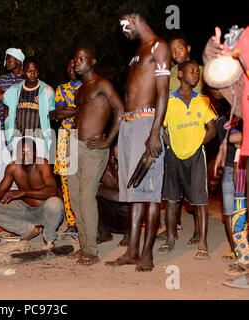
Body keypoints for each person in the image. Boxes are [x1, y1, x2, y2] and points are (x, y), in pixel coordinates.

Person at [106, 2, 171, 272]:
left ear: (134, 18)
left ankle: (147, 252)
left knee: (150, 193)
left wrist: (155, 132)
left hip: (147, 123)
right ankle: (131, 250)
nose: (123, 29)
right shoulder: (137, 53)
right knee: (134, 191)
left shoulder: (159, 46)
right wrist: (121, 135)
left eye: (124, 23)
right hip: (131, 125)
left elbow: (163, 92)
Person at [66, 45, 125, 266]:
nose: (76, 62)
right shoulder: (80, 89)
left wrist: (108, 141)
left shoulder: (102, 83)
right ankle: (84, 245)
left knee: (86, 195)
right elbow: (82, 116)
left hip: (93, 148)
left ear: (92, 62)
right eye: (75, 58)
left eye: (82, 58)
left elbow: (120, 109)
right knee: (74, 197)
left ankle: (91, 249)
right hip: (74, 145)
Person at [203, 25, 249, 289]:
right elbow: (227, 92)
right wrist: (213, 62)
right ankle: (244, 261)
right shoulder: (244, 37)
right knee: (238, 211)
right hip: (240, 161)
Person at [158, 60, 217, 259]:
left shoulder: (202, 100)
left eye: (197, 72)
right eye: (191, 71)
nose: (196, 74)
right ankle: (170, 240)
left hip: (196, 157)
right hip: (174, 156)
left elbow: (212, 129)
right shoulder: (169, 101)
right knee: (172, 199)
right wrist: (170, 145)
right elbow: (161, 129)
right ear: (180, 75)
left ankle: (203, 243)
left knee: (200, 200)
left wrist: (197, 144)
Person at [0, 137, 63, 248]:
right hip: (25, 211)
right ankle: (29, 230)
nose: (25, 156)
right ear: (17, 153)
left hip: (44, 212)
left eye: (29, 152)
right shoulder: (13, 167)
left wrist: (24, 193)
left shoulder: (42, 164)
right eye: (22, 152)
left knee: (55, 203)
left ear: (35, 153)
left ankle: (49, 239)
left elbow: (52, 191)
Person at [3, 57, 56, 160]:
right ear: (23, 71)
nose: (33, 74)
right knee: (19, 172)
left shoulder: (47, 91)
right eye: (29, 71)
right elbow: (6, 115)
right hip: (18, 138)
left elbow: (52, 117)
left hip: (39, 139)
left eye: (35, 71)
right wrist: (8, 135)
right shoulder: (12, 91)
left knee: (39, 171)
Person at [54, 58, 82, 237]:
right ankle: (72, 222)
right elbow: (58, 113)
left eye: (75, 66)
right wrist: (79, 109)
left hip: (84, 134)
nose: (71, 69)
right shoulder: (61, 89)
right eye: (68, 66)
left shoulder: (88, 85)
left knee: (82, 179)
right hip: (65, 136)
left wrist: (68, 110)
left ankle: (83, 220)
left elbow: (90, 110)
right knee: (65, 180)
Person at [0, 48, 25, 185]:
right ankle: (2, 200)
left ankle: (18, 200)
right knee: (1, 164)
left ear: (18, 61)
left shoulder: (26, 79)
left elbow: (24, 99)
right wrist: (14, 96)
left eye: (9, 59)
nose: (6, 62)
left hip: (21, 128)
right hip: (1, 128)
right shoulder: (2, 78)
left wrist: (4, 94)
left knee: (19, 164)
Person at [215, 111, 241, 261]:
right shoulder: (219, 120)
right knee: (229, 211)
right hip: (228, 169)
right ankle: (234, 248)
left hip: (243, 167)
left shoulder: (243, 114)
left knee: (242, 210)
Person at [97, 142, 130, 246]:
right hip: (109, 220)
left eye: (120, 158)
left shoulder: (131, 171)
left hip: (127, 223)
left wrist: (100, 190)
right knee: (89, 198)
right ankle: (104, 233)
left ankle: (129, 235)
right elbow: (88, 190)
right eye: (113, 157)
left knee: (125, 205)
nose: (117, 163)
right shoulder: (102, 170)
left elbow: (123, 197)